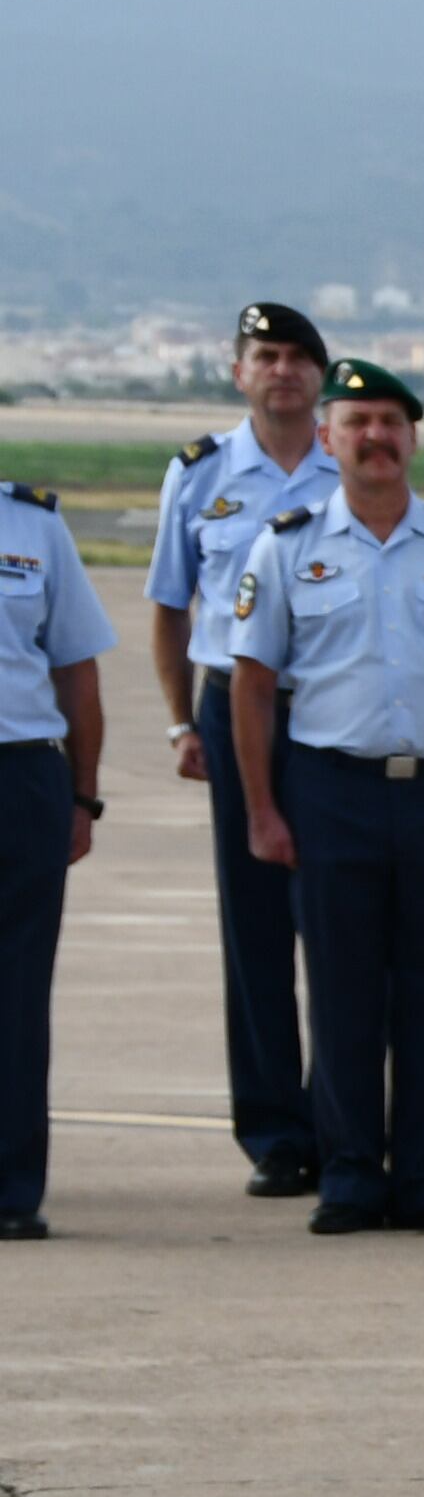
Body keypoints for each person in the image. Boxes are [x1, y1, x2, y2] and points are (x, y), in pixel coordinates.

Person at [224, 360, 424, 1237]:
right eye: (357, 422)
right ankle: (354, 1175)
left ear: (412, 439)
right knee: (343, 988)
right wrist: (261, 807)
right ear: (327, 439)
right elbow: (252, 685)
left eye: (392, 422)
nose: (376, 438)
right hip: (331, 792)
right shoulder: (287, 546)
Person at [141, 300, 335, 1197]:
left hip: (334, 711)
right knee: (254, 925)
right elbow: (171, 606)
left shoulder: (355, 463)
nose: (283, 370)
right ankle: (273, 1132)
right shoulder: (201, 473)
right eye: (267, 354)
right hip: (234, 708)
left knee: (342, 922)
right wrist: (183, 722)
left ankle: (343, 1123)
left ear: (321, 377)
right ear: (238, 371)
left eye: (299, 356)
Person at [1, 473, 115, 1242]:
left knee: (15, 992)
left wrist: (82, 794)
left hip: (20, 777)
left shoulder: (34, 527)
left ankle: (11, 1186)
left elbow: (76, 665)